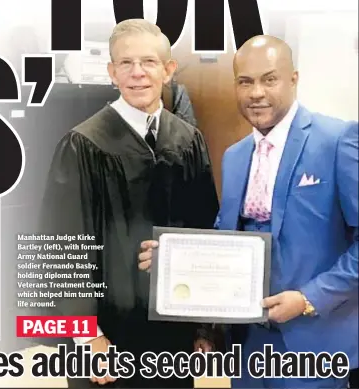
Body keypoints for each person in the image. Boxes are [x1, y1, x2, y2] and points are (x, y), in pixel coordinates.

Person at [138, 35, 358, 388]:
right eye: (245, 81)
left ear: (294, 80)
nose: (256, 92)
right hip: (249, 346)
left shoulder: (337, 140)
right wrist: (175, 258)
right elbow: (228, 237)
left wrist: (308, 299)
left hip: (315, 344)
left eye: (269, 79)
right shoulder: (236, 156)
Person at [39, 19, 220, 388]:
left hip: (173, 330)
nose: (138, 73)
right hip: (107, 334)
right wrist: (86, 337)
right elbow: (61, 248)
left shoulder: (188, 141)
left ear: (168, 71)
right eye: (126, 63)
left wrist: (204, 326)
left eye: (149, 62)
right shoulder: (83, 144)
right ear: (112, 72)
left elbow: (205, 231)